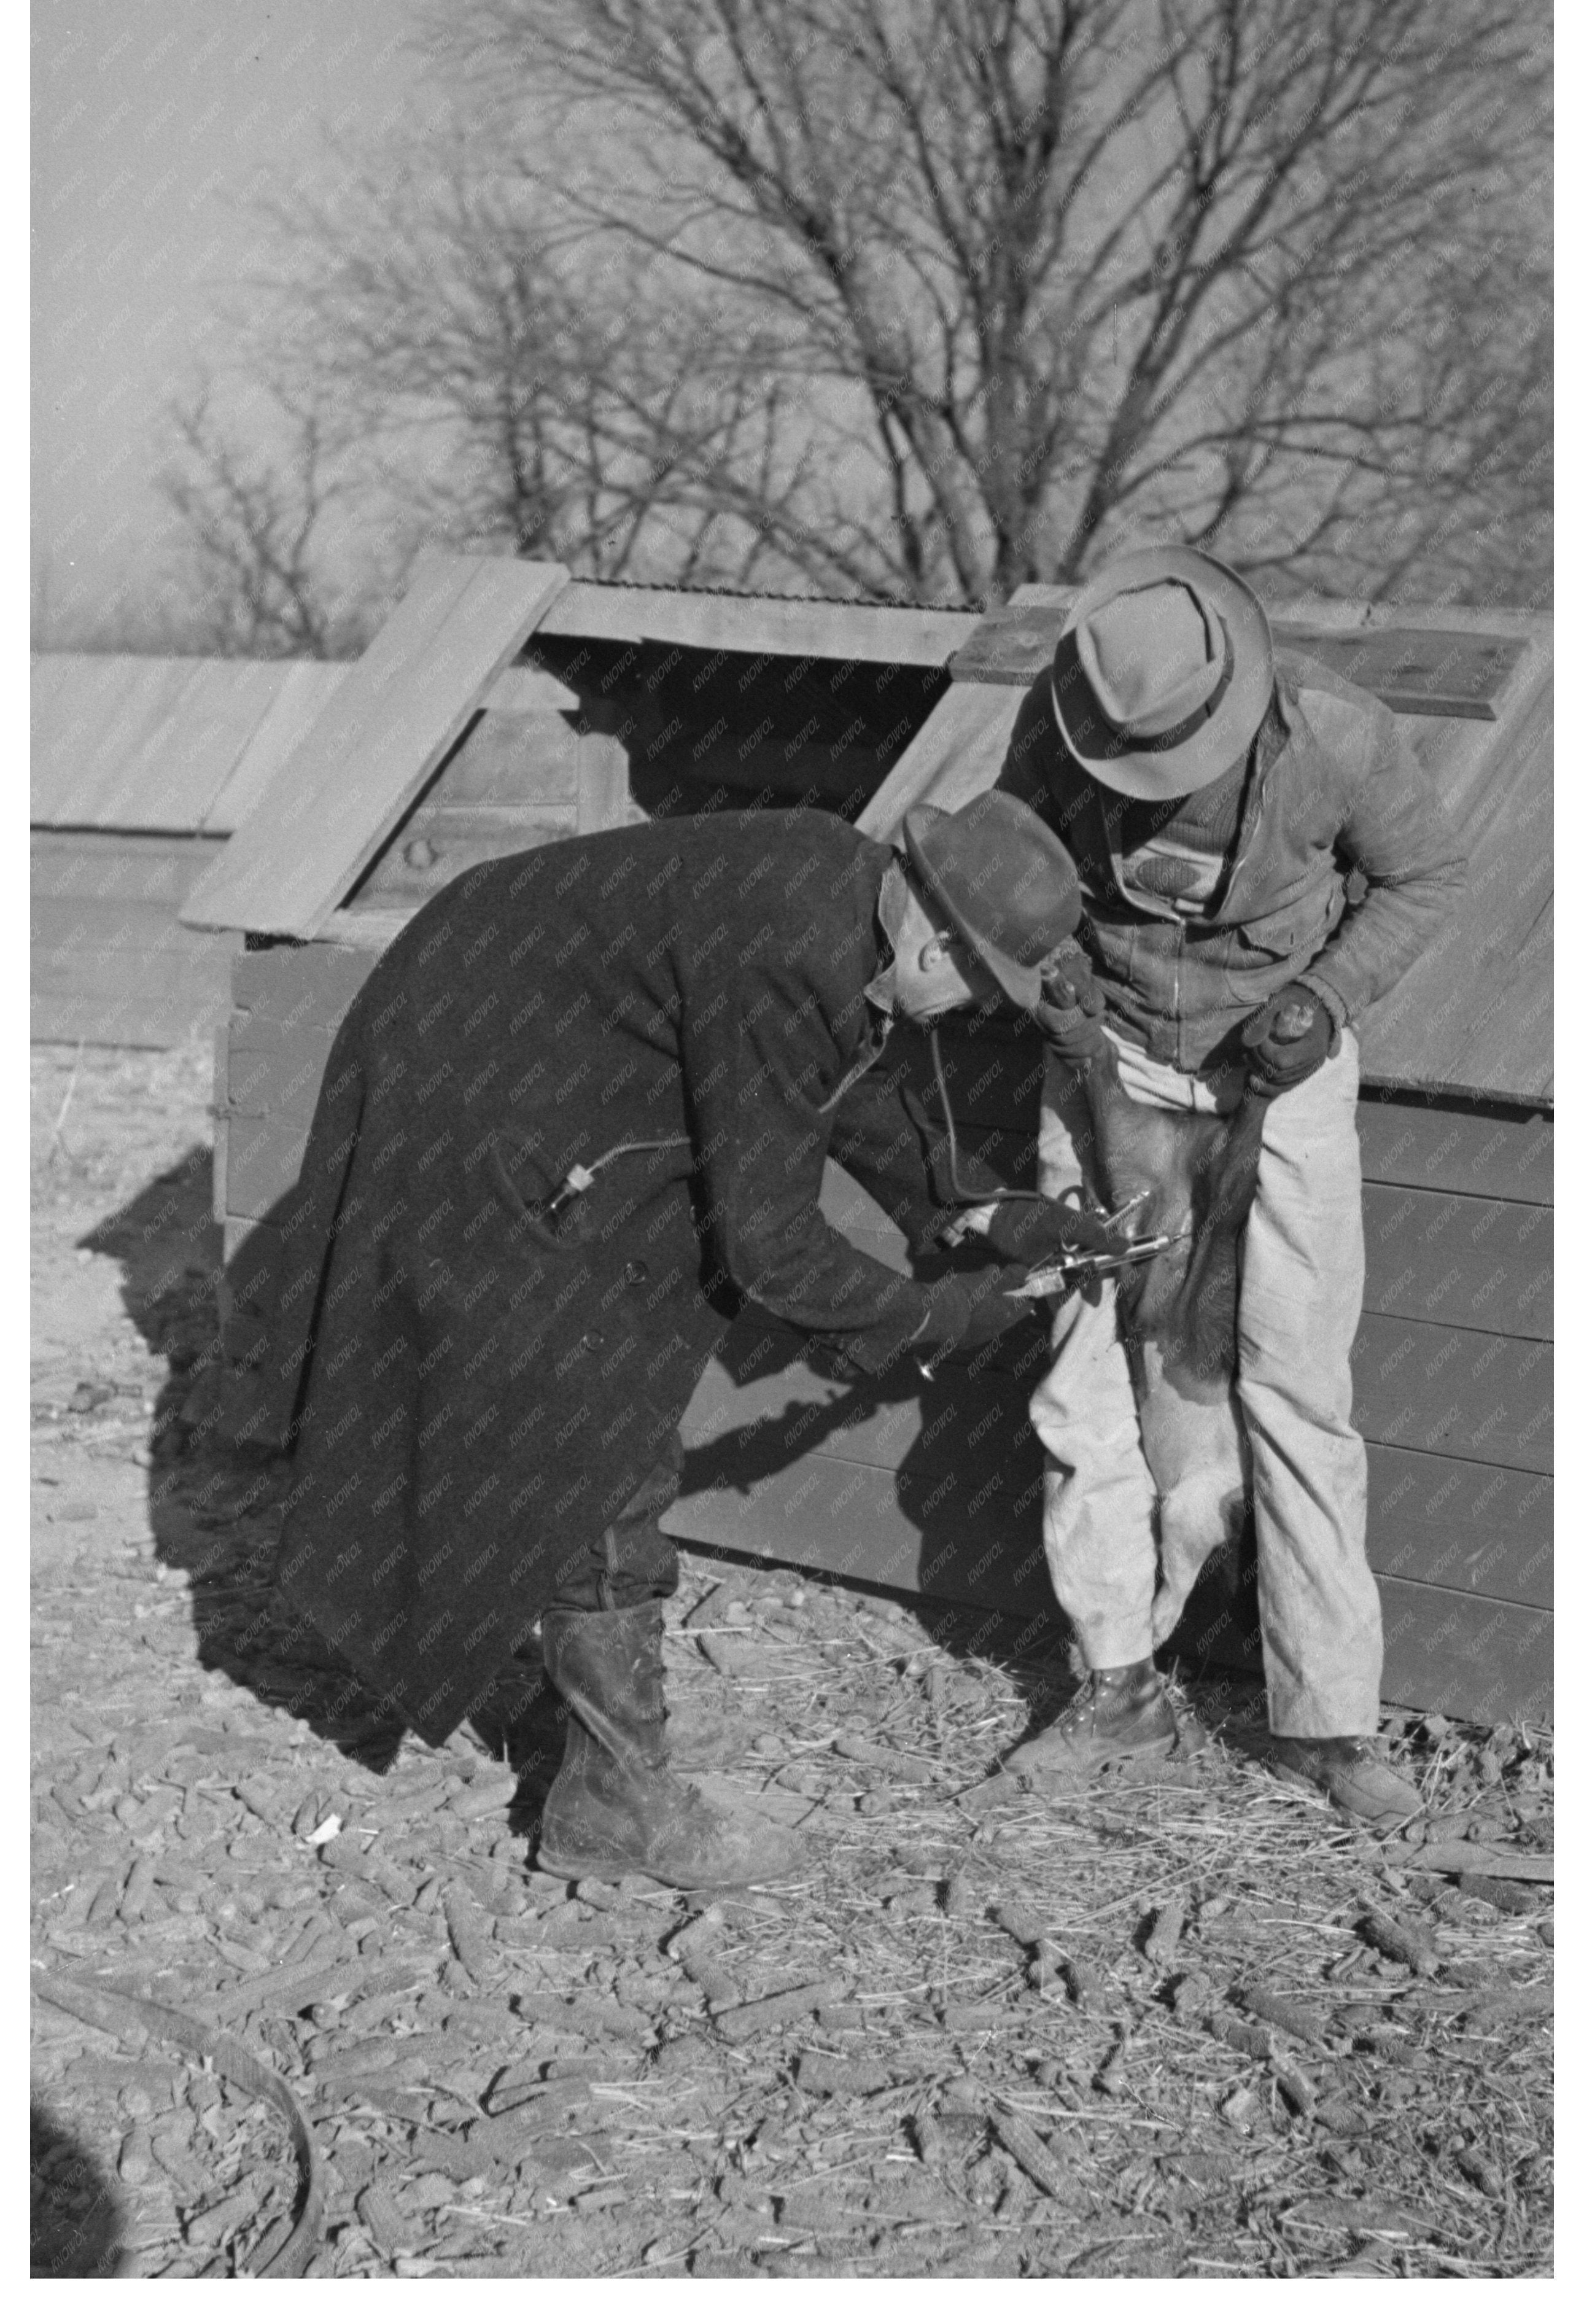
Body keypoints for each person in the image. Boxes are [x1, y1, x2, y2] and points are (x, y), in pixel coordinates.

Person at [270, 796, 1100, 1890]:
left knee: (619, 1355)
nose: (966, 1015)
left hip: (536, 1049)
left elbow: (838, 1091)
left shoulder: (845, 902)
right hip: (461, 1074)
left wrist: (978, 1210)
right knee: (594, 1400)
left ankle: (607, 1727)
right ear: (935, 939)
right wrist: (944, 1315)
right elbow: (770, 1248)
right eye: (978, 990)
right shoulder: (790, 945)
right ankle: (612, 1796)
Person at [993, 545, 1467, 1825]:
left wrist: (1324, 995)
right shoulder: (1059, 713)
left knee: (1298, 1385)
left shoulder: (1340, 735)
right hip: (1117, 1061)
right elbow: (1015, 874)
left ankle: (1326, 1718)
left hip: (1289, 1060)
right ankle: (1117, 1682)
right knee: (1081, 1375)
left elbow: (1428, 878)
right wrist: (1049, 973)